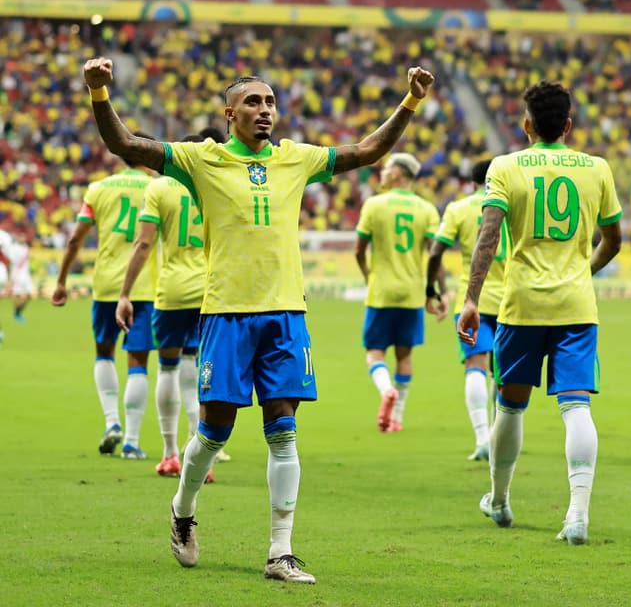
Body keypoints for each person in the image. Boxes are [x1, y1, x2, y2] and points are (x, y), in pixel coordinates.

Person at [82, 55, 434, 583]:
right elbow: (127, 145)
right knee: (215, 431)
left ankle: (280, 552)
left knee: (283, 431)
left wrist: (409, 101)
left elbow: (367, 150)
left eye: (270, 101)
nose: (265, 109)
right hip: (226, 313)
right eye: (253, 101)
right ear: (229, 113)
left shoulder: (297, 158)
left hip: (286, 313)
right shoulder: (202, 160)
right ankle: (182, 511)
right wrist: (99, 94)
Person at [456, 81, 622, 546]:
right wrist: (583, 270)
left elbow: (488, 237)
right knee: (576, 406)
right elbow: (614, 240)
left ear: (526, 125)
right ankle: (577, 515)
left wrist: (471, 299)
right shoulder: (597, 168)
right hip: (576, 305)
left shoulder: (505, 167)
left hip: (521, 304)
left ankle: (500, 500)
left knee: (509, 402)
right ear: (568, 125)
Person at [116, 130, 227, 483]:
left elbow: (144, 245)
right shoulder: (216, 186)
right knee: (196, 371)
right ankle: (202, 458)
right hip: (211, 291)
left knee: (166, 369)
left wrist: (125, 293)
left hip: (173, 292)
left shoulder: (160, 188)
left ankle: (169, 454)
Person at [51, 143, 158, 460]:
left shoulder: (99, 188)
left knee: (104, 352)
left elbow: (75, 239)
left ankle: (112, 422)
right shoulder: (158, 188)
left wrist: (61, 281)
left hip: (106, 286)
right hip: (143, 286)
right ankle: (132, 442)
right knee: (138, 361)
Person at [355, 153, 441, 433]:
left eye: (387, 168)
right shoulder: (427, 209)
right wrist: (436, 292)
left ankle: (386, 389)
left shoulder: (374, 205)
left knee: (374, 353)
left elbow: (359, 250)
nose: (381, 172)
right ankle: (397, 418)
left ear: (397, 174)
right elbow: (434, 253)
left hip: (381, 292)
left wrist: (369, 276)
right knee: (404, 356)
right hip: (412, 293)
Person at [427, 159, 506, 460]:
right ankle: (500, 439)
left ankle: (482, 439)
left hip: (471, 301)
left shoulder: (458, 209)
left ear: (471, 181)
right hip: (511, 301)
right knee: (504, 375)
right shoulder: (511, 205)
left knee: (475, 364)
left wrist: (431, 289)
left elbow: (436, 252)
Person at [0, 229, 34, 323]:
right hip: (17, 275)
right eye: (21, 236)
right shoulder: (13, 248)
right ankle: (16, 314)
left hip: (26, 275)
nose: (23, 238)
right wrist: (10, 277)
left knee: (29, 295)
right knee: (17, 295)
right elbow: (10, 262)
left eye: (24, 236)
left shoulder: (26, 247)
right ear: (18, 237)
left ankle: (18, 311)